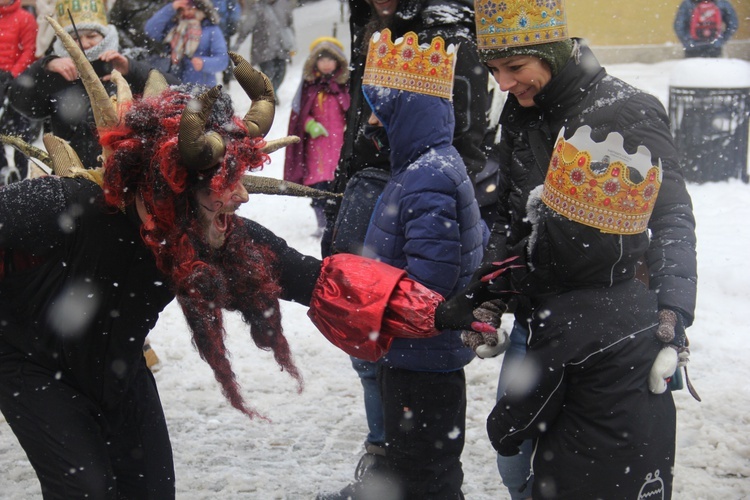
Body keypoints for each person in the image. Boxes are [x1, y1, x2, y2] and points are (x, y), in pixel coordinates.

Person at [0, 18, 485, 499]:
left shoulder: (217, 236)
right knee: (84, 489)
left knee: (150, 489)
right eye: (223, 184)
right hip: (30, 365)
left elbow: (313, 278)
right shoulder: (65, 205)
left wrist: (437, 311)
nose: (242, 197)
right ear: (175, 182)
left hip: (118, 367)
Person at [466, 0, 698, 497]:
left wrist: (674, 313)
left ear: (549, 53)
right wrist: (492, 293)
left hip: (609, 328)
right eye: (493, 70)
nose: (503, 84)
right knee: (516, 465)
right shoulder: (520, 111)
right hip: (538, 321)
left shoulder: (628, 108)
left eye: (514, 68)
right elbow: (512, 218)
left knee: (597, 473)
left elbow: (672, 216)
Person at [318, 0, 494, 492]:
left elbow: (431, 285)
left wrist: (370, 298)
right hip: (415, 355)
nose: (374, 125)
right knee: (414, 460)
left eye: (384, 114)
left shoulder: (428, 178)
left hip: (422, 356)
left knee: (425, 470)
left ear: (409, 113)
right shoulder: (423, 168)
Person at [9, 0, 180, 170]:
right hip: (73, 173)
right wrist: (44, 67)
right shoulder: (57, 71)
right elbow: (21, 101)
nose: (84, 43)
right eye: (74, 38)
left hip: (125, 173)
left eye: (91, 36)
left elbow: (174, 92)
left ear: (105, 36)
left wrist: (131, 69)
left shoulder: (126, 61)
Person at [284, 36, 350, 237]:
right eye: (322, 59)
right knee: (320, 189)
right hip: (318, 149)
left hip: (340, 145)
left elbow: (351, 109)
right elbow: (300, 113)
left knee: (339, 186)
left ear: (338, 62)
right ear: (315, 62)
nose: (327, 64)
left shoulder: (345, 86)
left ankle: (338, 225)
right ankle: (322, 225)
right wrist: (309, 124)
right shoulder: (310, 86)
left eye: (331, 60)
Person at [144, 0, 229, 85]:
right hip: (173, 86)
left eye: (190, 8)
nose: (186, 13)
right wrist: (171, 8)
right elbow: (150, 29)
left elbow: (222, 60)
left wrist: (204, 63)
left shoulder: (211, 30)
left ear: (201, 8)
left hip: (201, 89)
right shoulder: (174, 27)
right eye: (182, 10)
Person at [0, 0, 37, 184]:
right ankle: (2, 174)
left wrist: (13, 74)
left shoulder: (25, 18)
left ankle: (22, 179)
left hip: (18, 81)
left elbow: (29, 50)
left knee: (21, 131)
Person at [232, 0, 296, 93]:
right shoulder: (257, 9)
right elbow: (246, 28)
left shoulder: (283, 5)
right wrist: (238, 43)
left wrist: (292, 43)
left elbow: (289, 25)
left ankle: (273, 92)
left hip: (282, 47)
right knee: (268, 74)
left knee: (281, 73)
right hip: (263, 49)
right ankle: (270, 94)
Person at [673, 0, 738, 58]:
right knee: (713, 70)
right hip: (715, 46)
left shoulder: (688, 3)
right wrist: (722, 40)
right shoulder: (722, 2)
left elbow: (678, 25)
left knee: (693, 70)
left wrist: (687, 41)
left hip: (692, 47)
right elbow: (733, 24)